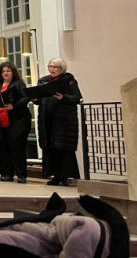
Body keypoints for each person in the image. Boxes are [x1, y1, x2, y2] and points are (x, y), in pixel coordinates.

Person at [35, 58, 82, 186]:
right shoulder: (43, 81)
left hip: (63, 121)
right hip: (47, 120)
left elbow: (77, 98)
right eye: (50, 66)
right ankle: (55, 176)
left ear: (62, 69)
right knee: (50, 148)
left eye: (55, 67)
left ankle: (64, 177)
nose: (52, 69)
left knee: (62, 149)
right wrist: (34, 98)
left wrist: (63, 97)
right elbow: (40, 99)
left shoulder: (69, 80)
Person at [0, 61, 30, 184]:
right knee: (3, 149)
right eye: (3, 71)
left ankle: (21, 175)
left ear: (13, 72)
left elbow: (26, 97)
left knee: (17, 149)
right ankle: (6, 174)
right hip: (0, 121)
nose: (5, 73)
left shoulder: (19, 84)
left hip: (17, 121)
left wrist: (14, 106)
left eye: (8, 71)